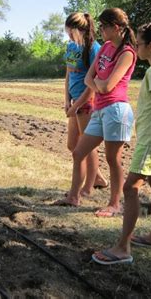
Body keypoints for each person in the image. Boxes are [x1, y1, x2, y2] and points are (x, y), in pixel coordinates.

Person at [92, 22, 151, 265]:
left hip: (150, 141)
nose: (135, 47)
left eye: (138, 44)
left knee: (129, 189)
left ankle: (123, 247)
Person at [54, 8, 136, 216]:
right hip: (100, 109)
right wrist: (99, 83)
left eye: (103, 26)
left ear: (115, 28)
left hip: (116, 110)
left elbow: (107, 86)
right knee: (79, 152)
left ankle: (114, 204)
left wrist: (98, 83)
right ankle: (73, 197)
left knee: (112, 159)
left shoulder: (127, 53)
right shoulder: (107, 47)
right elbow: (89, 79)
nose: (100, 30)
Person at [61, 12, 108, 199]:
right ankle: (98, 178)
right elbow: (69, 74)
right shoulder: (72, 47)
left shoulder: (95, 49)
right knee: (72, 144)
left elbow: (93, 85)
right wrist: (67, 100)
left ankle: (88, 187)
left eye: (71, 33)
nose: (69, 37)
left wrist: (77, 104)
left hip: (87, 103)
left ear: (81, 30)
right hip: (74, 102)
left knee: (87, 147)